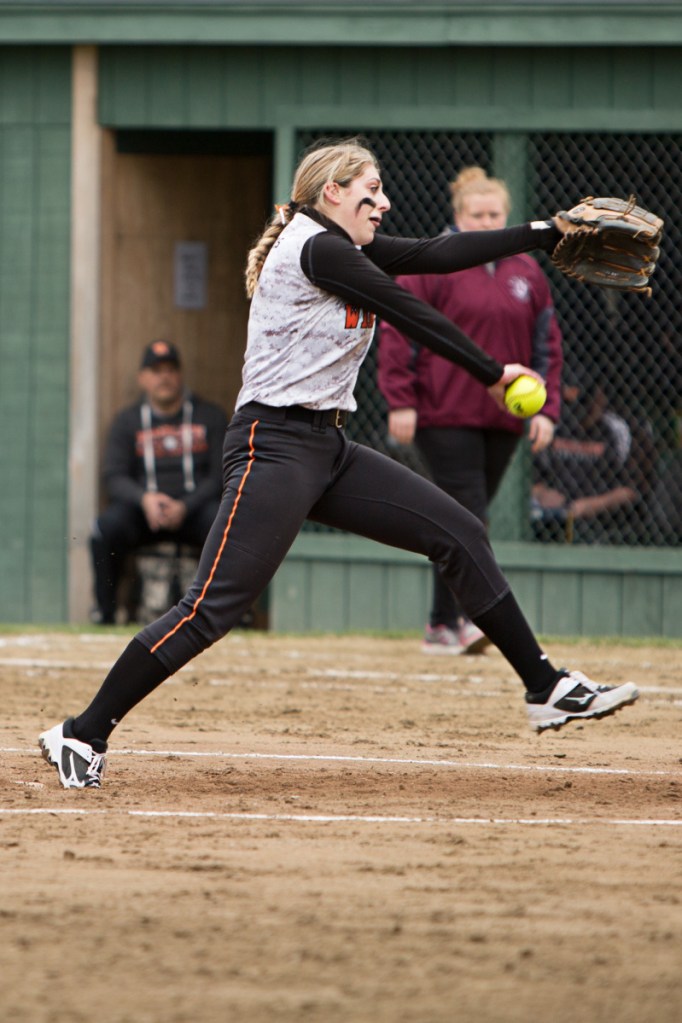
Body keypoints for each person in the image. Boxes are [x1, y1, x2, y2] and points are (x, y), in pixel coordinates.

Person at [39, 137, 638, 789]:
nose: (382, 203)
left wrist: (544, 232)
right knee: (210, 608)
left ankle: (545, 687)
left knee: (459, 531)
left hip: (325, 447)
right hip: (273, 444)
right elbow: (406, 305)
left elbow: (436, 253)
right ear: (332, 193)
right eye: (369, 191)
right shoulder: (317, 244)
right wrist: (492, 373)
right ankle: (82, 731)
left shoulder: (340, 245)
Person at [378, 167, 563, 655]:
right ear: (458, 216)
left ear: (507, 217)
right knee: (468, 517)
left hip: (505, 416)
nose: (486, 222)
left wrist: (548, 408)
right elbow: (399, 329)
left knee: (459, 523)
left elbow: (547, 343)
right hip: (444, 412)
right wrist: (401, 399)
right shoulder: (434, 262)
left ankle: (441, 624)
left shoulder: (527, 270)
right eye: (477, 215)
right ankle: (465, 620)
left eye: (495, 215)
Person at [90, 340, 228, 624]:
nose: (164, 377)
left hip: (193, 511)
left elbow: (220, 475)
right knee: (105, 530)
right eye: (155, 370)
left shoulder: (210, 417)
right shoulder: (127, 422)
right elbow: (114, 476)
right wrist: (144, 500)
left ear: (180, 374)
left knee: (227, 527)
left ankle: (229, 615)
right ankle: (105, 615)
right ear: (143, 378)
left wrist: (185, 506)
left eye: (170, 369)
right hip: (146, 514)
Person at [532, 367, 658, 544]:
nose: (576, 410)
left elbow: (632, 490)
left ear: (599, 397)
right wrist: (543, 493)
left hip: (610, 526)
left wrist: (587, 506)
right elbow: (531, 477)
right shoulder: (552, 425)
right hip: (556, 523)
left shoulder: (622, 429)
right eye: (569, 403)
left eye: (584, 402)